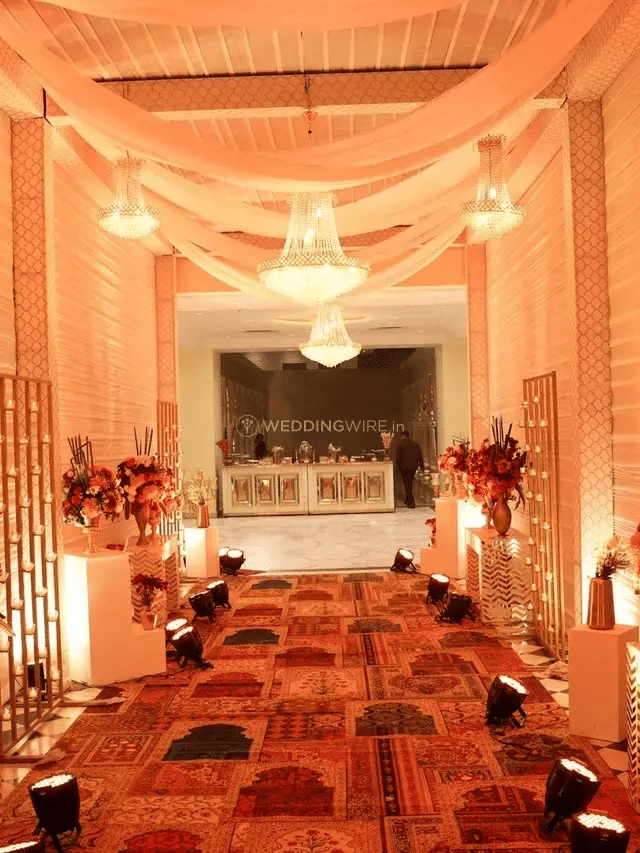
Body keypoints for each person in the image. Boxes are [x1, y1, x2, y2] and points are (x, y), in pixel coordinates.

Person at [395, 430, 424, 508]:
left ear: (402, 436)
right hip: (413, 467)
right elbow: (420, 456)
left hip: (404, 467)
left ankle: (411, 502)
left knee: (407, 484)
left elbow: (398, 458)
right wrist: (422, 466)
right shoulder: (415, 444)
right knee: (410, 483)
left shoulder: (401, 445)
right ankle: (408, 500)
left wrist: (398, 467)